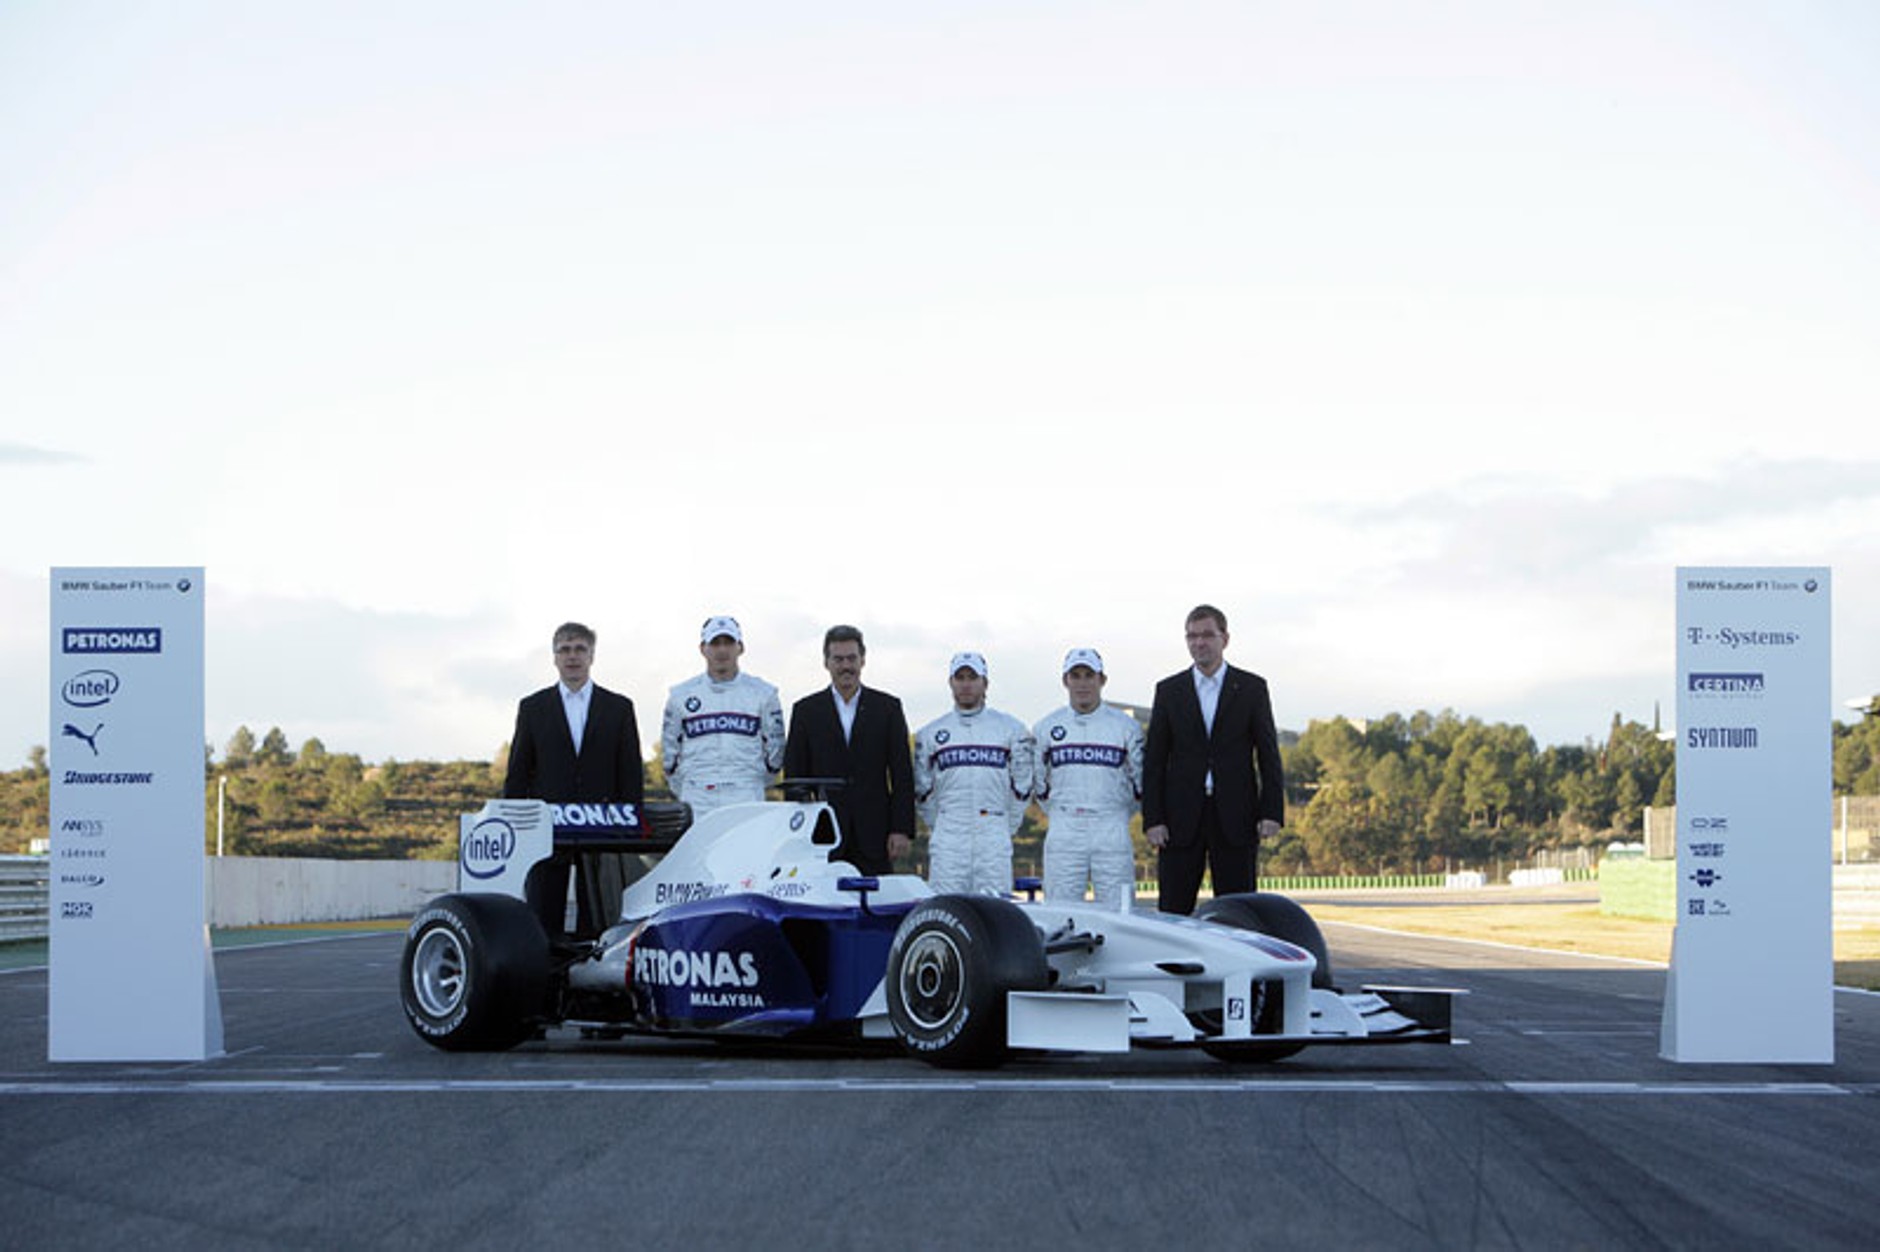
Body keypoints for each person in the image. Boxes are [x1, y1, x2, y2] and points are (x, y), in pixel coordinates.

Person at [503, 621, 645, 939]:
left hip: (603, 828)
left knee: (598, 915)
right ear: (554, 657)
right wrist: (517, 824)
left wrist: (629, 825)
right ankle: (545, 978)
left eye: (580, 648)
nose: (572, 656)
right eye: (564, 649)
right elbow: (518, 773)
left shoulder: (619, 708)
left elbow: (631, 772)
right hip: (547, 829)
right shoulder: (532, 708)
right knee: (543, 914)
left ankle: (593, 976)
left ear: (592, 655)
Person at [1142, 605, 1285, 915]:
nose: (1199, 643)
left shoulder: (1251, 688)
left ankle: (1237, 966)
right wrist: (1154, 818)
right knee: (1173, 911)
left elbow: (1268, 754)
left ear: (1225, 639)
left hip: (1236, 818)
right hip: (1180, 820)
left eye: (1207, 635)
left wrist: (1271, 811)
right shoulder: (1169, 691)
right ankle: (1175, 966)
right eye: (1192, 636)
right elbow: (1154, 760)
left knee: (1239, 911)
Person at [782, 625, 915, 876]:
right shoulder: (806, 711)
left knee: (876, 908)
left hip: (875, 836)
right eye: (838, 659)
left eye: (852, 658)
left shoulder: (887, 708)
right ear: (826, 662)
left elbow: (902, 774)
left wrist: (901, 829)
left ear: (863, 660)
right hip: (822, 836)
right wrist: (799, 832)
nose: (846, 666)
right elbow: (795, 778)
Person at [913, 652, 1035, 895]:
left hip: (993, 831)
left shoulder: (1011, 729)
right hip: (949, 833)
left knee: (995, 910)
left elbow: (1022, 786)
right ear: (951, 683)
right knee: (948, 907)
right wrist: (946, 823)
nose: (966, 684)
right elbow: (922, 790)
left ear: (985, 683)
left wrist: (1001, 824)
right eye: (960, 678)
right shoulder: (930, 733)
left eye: (972, 678)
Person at [1033, 647, 1144, 909]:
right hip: (1064, 825)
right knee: (1061, 911)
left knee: (1120, 912)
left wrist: (1117, 812)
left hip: (1111, 824)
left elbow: (1140, 781)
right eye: (1076, 675)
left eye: (1089, 675)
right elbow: (1038, 781)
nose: (1082, 683)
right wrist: (1060, 811)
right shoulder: (1046, 727)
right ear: (1065, 681)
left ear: (1102, 680)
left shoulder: (1126, 727)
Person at [661, 615, 786, 817]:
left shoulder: (764, 694)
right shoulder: (680, 695)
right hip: (697, 792)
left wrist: (753, 780)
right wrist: (688, 782)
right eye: (715, 643)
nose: (722, 650)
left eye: (728, 642)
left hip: (745, 791)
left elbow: (776, 751)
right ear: (703, 648)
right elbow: (669, 754)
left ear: (740, 647)